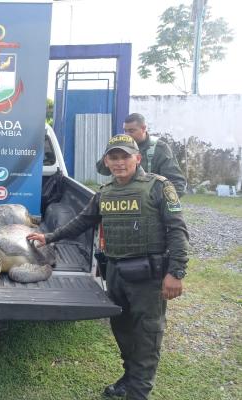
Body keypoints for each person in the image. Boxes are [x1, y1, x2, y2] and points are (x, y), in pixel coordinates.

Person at [28, 134, 189, 400]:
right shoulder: (105, 193)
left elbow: (177, 230)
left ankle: (138, 393)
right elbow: (82, 221)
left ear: (137, 158)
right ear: (106, 161)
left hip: (148, 277)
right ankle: (129, 378)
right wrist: (49, 237)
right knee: (123, 330)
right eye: (114, 157)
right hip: (115, 273)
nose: (119, 162)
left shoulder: (158, 187)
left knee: (147, 336)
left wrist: (176, 272)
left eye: (125, 156)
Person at [96, 113, 187, 197]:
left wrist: (158, 203)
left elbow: (177, 183)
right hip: (120, 200)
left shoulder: (160, 149)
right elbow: (102, 170)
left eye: (131, 131)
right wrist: (111, 151)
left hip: (147, 202)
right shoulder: (120, 146)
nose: (127, 135)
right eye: (125, 131)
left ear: (143, 128)